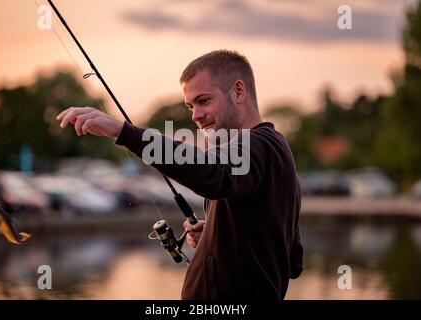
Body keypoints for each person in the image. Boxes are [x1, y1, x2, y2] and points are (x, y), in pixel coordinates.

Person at [56, 50, 303, 300]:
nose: (195, 115)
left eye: (204, 101)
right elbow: (292, 260)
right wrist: (216, 234)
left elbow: (212, 172)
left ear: (239, 91)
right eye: (190, 106)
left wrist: (124, 133)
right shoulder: (273, 152)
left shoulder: (258, 146)